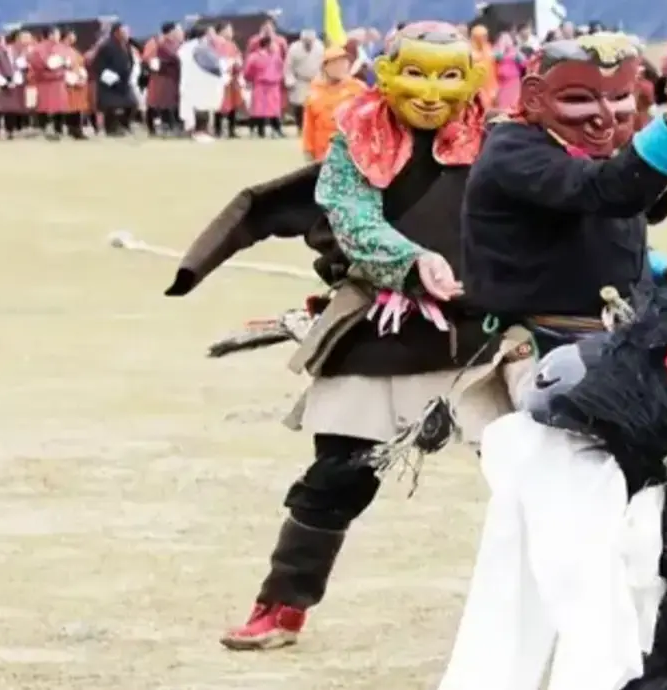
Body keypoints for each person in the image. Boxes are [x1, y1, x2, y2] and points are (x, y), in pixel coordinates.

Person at [165, 21, 492, 652]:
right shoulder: (356, 140)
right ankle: (281, 606)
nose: (431, 92)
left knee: (535, 469)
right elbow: (353, 219)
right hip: (380, 321)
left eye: (448, 75)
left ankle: (587, 605)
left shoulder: (499, 141)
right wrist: (411, 261)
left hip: (487, 326)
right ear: (390, 74)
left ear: (470, 79)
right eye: (416, 74)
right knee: (338, 474)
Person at [451, 32, 667, 447]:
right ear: (536, 96)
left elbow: (601, 227)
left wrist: (661, 272)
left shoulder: (592, 148)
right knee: (578, 467)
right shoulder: (515, 152)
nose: (604, 116)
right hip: (547, 348)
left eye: (618, 98)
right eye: (579, 100)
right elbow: (607, 192)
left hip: (620, 339)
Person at [300, 46, 367, 162]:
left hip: (352, 155)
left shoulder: (359, 89)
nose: (341, 66)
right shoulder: (314, 92)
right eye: (335, 63)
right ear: (325, 67)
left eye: (343, 62)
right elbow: (308, 126)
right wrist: (308, 150)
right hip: (322, 155)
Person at [178, 25, 225, 142]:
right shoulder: (199, 48)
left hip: (190, 83)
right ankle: (200, 132)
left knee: (194, 108)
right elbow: (213, 65)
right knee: (201, 107)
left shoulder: (186, 47)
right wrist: (222, 66)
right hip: (200, 82)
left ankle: (196, 131)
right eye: (210, 33)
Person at [93, 25, 138, 137]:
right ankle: (111, 129)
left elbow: (130, 61)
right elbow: (98, 65)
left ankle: (124, 125)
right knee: (111, 106)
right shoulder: (107, 46)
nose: (127, 34)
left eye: (128, 32)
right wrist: (110, 77)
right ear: (116, 33)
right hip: (110, 82)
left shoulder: (127, 46)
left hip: (124, 81)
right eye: (124, 32)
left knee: (132, 104)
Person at [244, 36, 287, 137]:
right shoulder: (254, 56)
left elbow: (281, 69)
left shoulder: (276, 57)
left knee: (274, 110)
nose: (275, 46)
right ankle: (259, 130)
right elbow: (248, 72)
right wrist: (250, 80)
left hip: (274, 86)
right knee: (259, 109)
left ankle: (276, 129)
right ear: (268, 45)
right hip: (260, 85)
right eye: (273, 44)